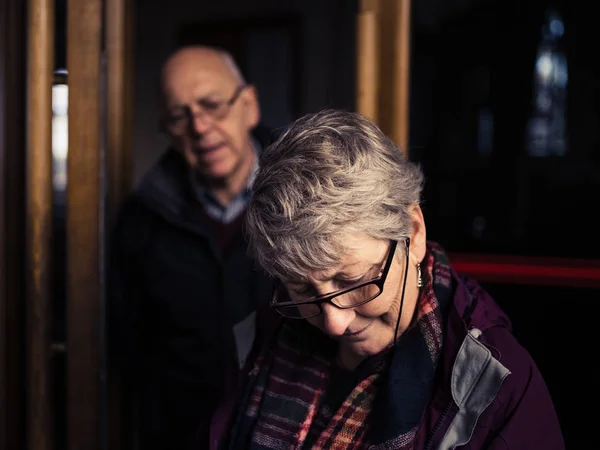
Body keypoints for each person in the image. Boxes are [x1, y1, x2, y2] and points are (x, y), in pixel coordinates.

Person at [214, 109, 565, 449]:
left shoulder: (498, 386)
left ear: (413, 232)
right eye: (303, 290)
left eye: (352, 280)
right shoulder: (255, 342)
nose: (335, 323)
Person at [108, 45, 274, 449]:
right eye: (180, 116)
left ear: (249, 106)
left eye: (213, 104)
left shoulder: (306, 201)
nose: (200, 128)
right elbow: (127, 351)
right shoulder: (142, 217)